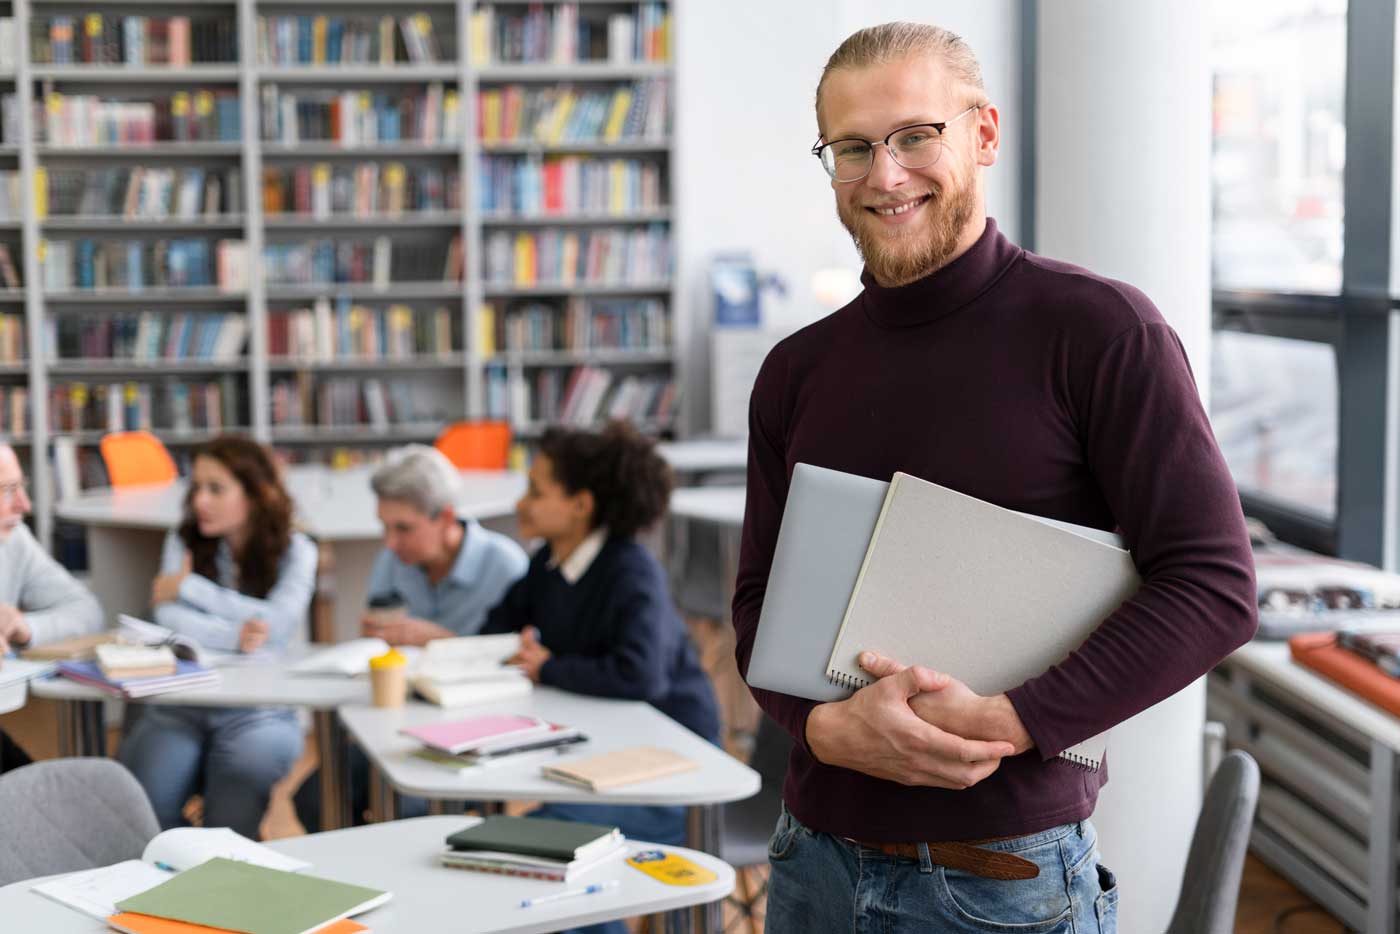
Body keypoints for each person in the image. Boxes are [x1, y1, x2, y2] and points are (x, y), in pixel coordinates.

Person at [731, 22, 1258, 933]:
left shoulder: (1102, 332)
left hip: (998, 881)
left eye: (914, 136)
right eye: (852, 147)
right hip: (809, 858)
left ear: (982, 134)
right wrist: (819, 727)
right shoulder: (794, 369)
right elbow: (754, 604)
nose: (883, 174)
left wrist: (1014, 719)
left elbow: (1214, 586)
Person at [481, 421, 720, 934]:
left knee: (529, 852)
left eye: (535, 491)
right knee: (511, 848)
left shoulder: (630, 571)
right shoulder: (549, 559)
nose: (521, 502)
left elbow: (641, 676)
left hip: (674, 776)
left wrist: (547, 666)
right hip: (608, 759)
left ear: (580, 506)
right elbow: (496, 629)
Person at [293, 444, 528, 829]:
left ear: (446, 517)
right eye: (384, 527)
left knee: (405, 816)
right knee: (314, 800)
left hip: (475, 735)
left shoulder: (506, 566)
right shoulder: (394, 562)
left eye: (403, 528)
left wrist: (440, 641)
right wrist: (373, 640)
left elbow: (521, 667)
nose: (389, 542)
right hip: (398, 725)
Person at [118, 435, 317, 839]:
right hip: (181, 705)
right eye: (196, 488)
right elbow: (167, 615)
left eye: (216, 489)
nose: (199, 502)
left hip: (261, 710)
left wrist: (190, 588)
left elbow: (278, 623)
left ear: (256, 494)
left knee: (230, 824)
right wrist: (235, 636)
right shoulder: (184, 538)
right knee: (146, 816)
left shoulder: (298, 550)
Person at [0, 440, 104, 770]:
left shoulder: (13, 540)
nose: (24, 505)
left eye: (21, 487)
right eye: (6, 490)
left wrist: (25, 627)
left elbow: (87, 611)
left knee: (39, 795)